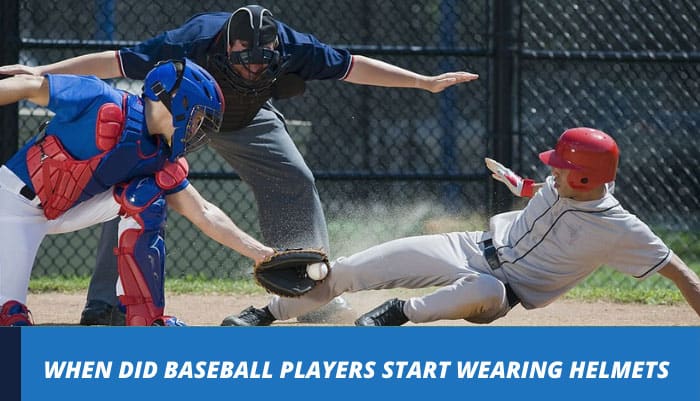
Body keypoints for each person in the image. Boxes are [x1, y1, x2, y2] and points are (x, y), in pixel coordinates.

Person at [0, 5, 479, 326]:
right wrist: (41, 73)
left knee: (296, 179)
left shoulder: (294, 46)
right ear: (224, 46)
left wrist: (424, 83)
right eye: (243, 59)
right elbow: (117, 62)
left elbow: (354, 66)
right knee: (135, 184)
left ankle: (310, 293)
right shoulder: (192, 40)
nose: (253, 67)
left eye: (261, 62)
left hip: (248, 119)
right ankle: (106, 305)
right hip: (182, 117)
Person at [220, 127, 700, 326]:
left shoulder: (622, 229)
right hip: (467, 244)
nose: (553, 169)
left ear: (584, 178)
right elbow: (542, 191)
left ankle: (396, 314)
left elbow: (681, 273)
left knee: (482, 286)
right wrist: (519, 182)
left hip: (499, 289)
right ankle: (264, 313)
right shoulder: (564, 184)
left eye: (560, 166)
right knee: (347, 269)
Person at [0, 58, 276, 326]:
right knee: (12, 318)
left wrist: (262, 254)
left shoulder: (159, 155)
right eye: (198, 117)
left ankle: (144, 316)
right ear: (178, 102)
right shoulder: (101, 99)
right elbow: (30, 86)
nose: (197, 129)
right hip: (13, 207)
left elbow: (203, 212)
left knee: (146, 196)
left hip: (66, 209)